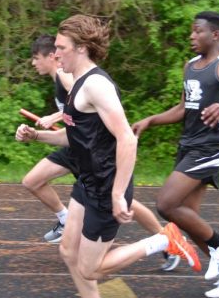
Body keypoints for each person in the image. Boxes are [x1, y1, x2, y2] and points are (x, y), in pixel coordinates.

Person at [16, 15, 200, 298]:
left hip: (104, 185)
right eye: (55, 49)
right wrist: (37, 138)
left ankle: (164, 239)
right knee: (68, 253)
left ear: (82, 48)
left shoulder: (96, 85)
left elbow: (127, 138)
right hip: (87, 181)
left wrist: (117, 195)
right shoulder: (77, 84)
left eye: (61, 48)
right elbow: (75, 138)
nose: (55, 55)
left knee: (91, 268)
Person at [132, 11, 219, 298]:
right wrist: (151, 120)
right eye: (191, 32)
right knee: (188, 218)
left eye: (197, 31)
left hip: (211, 146)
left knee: (166, 204)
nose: (192, 37)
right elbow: (184, 109)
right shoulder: (191, 66)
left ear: (215, 34)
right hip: (189, 145)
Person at [22, 34, 180, 271]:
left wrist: (53, 118)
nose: (34, 63)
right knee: (33, 181)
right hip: (77, 143)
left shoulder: (67, 76)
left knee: (123, 203)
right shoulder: (64, 76)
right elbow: (75, 112)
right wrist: (40, 133)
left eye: (37, 58)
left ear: (53, 56)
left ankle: (166, 239)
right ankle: (67, 221)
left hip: (87, 150)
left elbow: (80, 103)